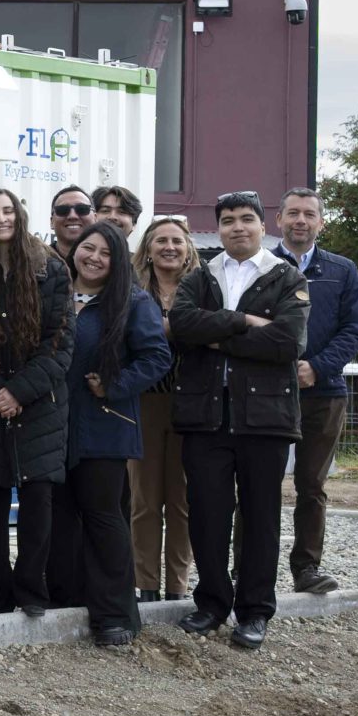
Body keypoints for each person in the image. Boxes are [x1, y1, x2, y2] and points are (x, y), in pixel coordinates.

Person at [166, 191, 310, 650]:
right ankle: (211, 603)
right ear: (219, 228)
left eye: (246, 219)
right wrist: (244, 321)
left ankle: (254, 611)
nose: (237, 228)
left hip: (264, 418)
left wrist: (217, 337)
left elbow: (287, 343)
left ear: (263, 226)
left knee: (260, 517)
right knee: (207, 514)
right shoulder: (200, 276)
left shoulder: (285, 277)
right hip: (205, 416)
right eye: (228, 220)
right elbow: (182, 325)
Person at [52, 221, 171, 647]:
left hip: (104, 424)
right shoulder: (57, 294)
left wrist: (114, 382)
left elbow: (157, 357)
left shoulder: (132, 303)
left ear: (117, 260)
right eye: (88, 248)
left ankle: (114, 615)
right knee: (60, 518)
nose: (94, 257)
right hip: (53, 427)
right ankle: (64, 601)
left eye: (105, 252)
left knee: (104, 518)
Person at [0, 189, 72, 618]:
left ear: (20, 215)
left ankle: (31, 591)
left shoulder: (51, 268)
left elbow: (60, 343)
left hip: (40, 405)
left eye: (8, 211)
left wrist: (19, 391)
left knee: (37, 506)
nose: (1, 219)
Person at [273, 187, 358, 596]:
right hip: (267, 392)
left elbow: (354, 329)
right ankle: (246, 568)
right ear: (278, 220)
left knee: (312, 485)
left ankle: (307, 569)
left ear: (320, 223)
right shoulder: (261, 265)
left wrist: (318, 367)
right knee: (259, 483)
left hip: (325, 393)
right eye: (293, 213)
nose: (300, 220)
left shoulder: (343, 270)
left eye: (309, 214)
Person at [130, 216, 197, 601]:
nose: (169, 247)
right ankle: (146, 583)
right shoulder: (134, 290)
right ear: (148, 249)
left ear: (188, 249)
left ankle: (177, 584)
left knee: (182, 500)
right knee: (143, 499)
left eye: (177, 241)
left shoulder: (202, 289)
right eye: (161, 241)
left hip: (190, 403)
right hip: (144, 402)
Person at [47, 185, 95, 264]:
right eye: (63, 210)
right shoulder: (33, 265)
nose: (72, 216)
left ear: (95, 218)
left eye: (82, 209)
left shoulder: (112, 263)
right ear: (51, 222)